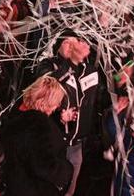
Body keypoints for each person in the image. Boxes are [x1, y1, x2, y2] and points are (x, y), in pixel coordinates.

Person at [35, 32, 100, 196]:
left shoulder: (90, 71)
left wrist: (121, 86)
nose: (71, 46)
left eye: (74, 42)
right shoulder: (48, 65)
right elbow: (46, 87)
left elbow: (102, 95)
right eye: (66, 42)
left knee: (70, 189)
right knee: (48, 187)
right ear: (57, 47)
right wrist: (59, 118)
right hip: (53, 143)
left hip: (77, 145)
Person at [0, 75, 73, 196]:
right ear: (48, 101)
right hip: (36, 189)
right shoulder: (39, 124)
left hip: (15, 186)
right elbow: (45, 166)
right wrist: (67, 170)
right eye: (57, 103)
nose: (57, 107)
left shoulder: (15, 113)